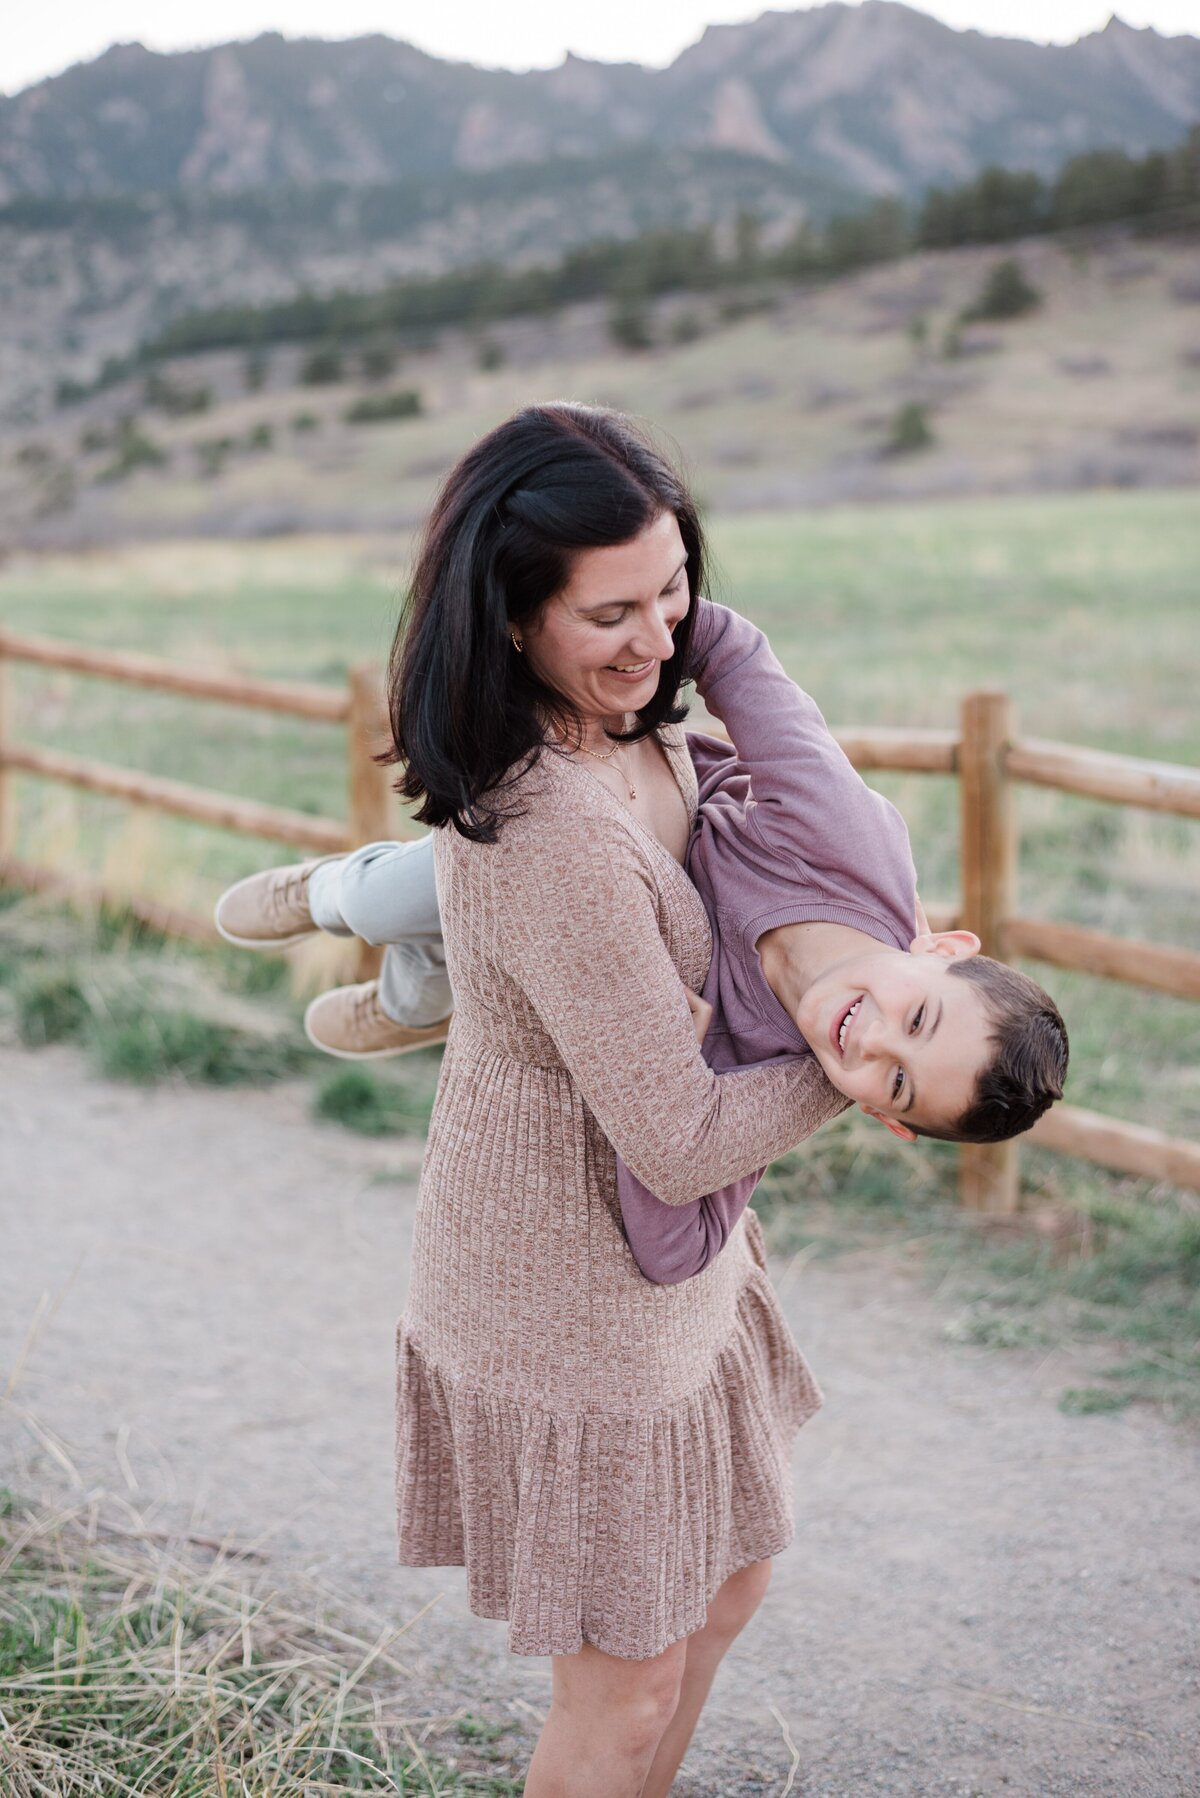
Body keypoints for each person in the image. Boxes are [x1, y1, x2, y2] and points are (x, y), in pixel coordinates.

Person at [220, 401, 861, 1796]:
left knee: (731, 1588)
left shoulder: (663, 746)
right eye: (610, 611)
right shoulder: (540, 826)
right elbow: (680, 1134)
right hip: (569, 1286)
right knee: (623, 1690)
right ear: (512, 619)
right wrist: (866, 1053)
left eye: (676, 589)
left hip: (681, 1267)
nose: (657, 636)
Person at [218, 602, 1069, 1287]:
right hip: (623, 825)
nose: (873, 1038)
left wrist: (677, 1065)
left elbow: (678, 1249)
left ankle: (409, 1005)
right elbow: (734, 655)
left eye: (895, 1082)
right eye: (918, 1018)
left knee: (463, 976)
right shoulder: (850, 842)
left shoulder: (773, 1074)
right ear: (941, 947)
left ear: (889, 1121)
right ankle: (327, 893)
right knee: (410, 888)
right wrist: (636, 623)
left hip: (593, 951)